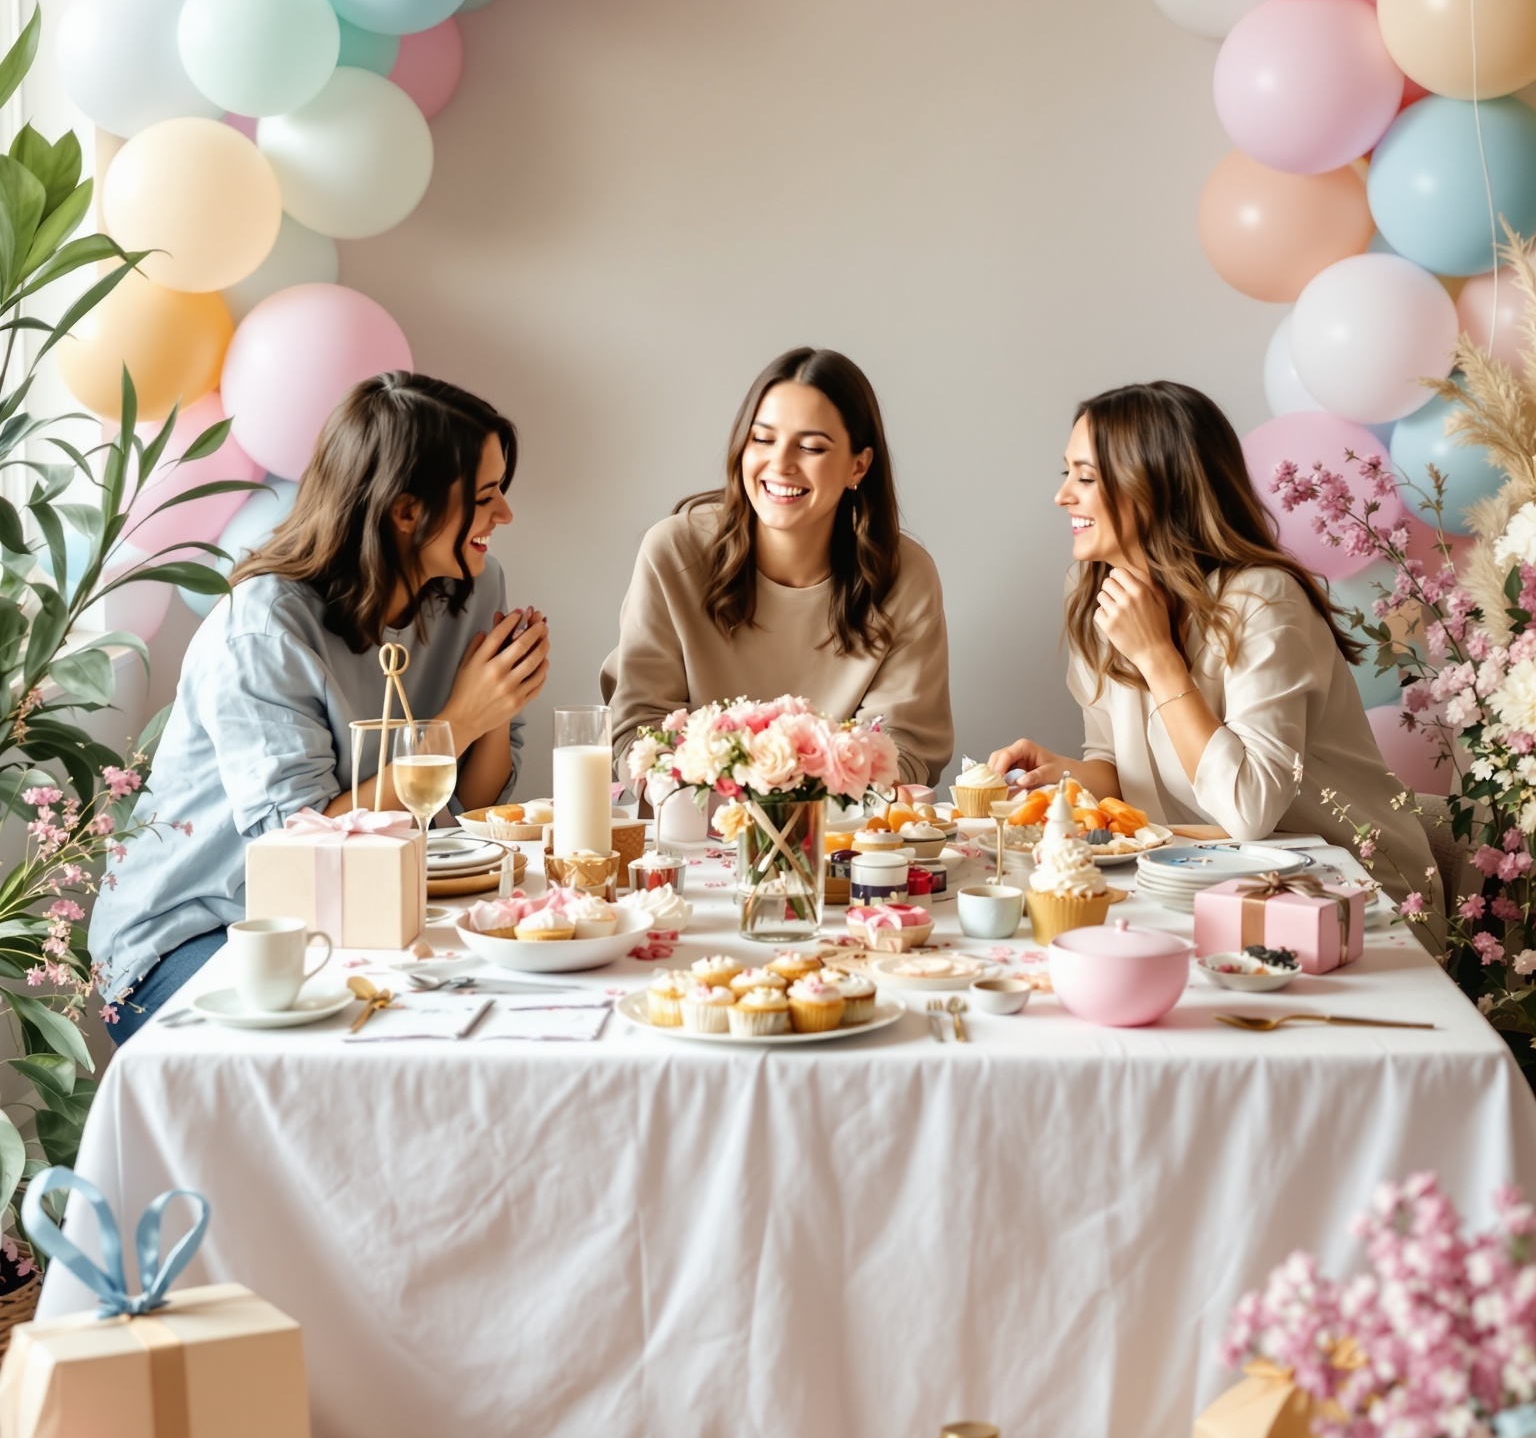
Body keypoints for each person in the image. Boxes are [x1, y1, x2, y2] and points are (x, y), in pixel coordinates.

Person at [92, 372, 549, 1039]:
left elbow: (471, 810)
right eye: (484, 498)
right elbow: (303, 849)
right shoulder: (265, 626)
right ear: (404, 511)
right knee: (362, 1051)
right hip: (201, 930)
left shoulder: (474, 587)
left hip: (355, 914)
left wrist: (501, 700)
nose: (503, 516)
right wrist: (460, 720)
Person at [988, 379, 1444, 927]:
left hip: (1349, 899)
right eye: (1067, 473)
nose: (1064, 495)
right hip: (1210, 884)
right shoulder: (1094, 593)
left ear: (1157, 485)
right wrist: (1064, 776)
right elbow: (1120, 764)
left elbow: (1248, 809)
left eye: (1086, 477)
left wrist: (1158, 656)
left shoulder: (1262, 598)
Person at [604, 347, 952, 790]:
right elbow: (638, 734)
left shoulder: (905, 576)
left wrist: (791, 806)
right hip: (692, 839)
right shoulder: (674, 552)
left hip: (838, 843)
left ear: (858, 466)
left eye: (810, 447)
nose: (781, 464)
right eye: (762, 439)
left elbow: (904, 750)